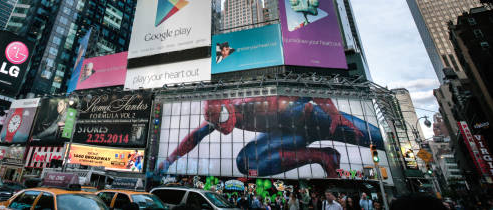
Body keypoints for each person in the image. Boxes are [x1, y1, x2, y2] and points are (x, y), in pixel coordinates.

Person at [157, 96, 383, 178]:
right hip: (288, 135)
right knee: (245, 162)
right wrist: (168, 161)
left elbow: (306, 92)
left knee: (375, 138)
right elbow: (193, 138)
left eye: (222, 118)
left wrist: (334, 114)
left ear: (229, 107)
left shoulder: (256, 103)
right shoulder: (219, 117)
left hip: (316, 120)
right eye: (215, 124)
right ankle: (322, 156)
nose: (222, 128)